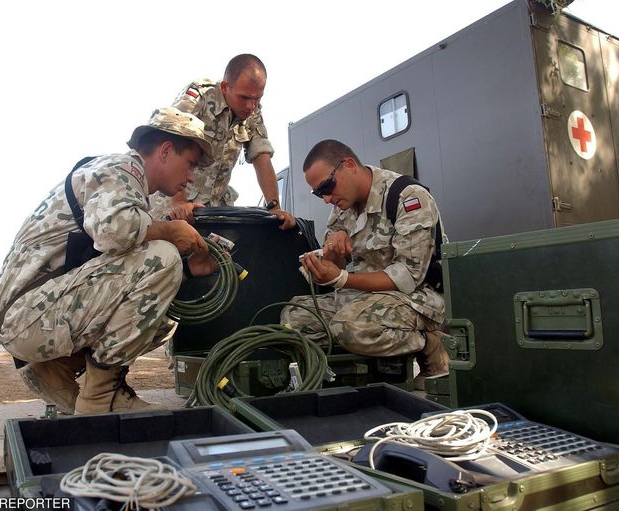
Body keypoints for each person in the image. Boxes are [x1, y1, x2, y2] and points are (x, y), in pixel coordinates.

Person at [0, 107, 217, 414]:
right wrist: (168, 231)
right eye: (189, 164)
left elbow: (117, 270)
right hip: (27, 317)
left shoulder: (126, 183)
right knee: (162, 259)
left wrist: (189, 270)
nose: (191, 177)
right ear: (165, 151)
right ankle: (101, 397)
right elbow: (112, 232)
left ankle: (55, 370)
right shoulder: (121, 168)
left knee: (163, 310)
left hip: (32, 314)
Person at [280, 139, 449, 386]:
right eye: (319, 193)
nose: (326, 198)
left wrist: (341, 279)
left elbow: (407, 276)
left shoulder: (408, 197)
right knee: (292, 319)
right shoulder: (341, 206)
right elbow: (337, 261)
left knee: (349, 326)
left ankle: (430, 342)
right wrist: (330, 255)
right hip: (363, 298)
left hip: (418, 299)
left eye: (327, 186)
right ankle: (368, 368)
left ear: (349, 165)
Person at [149, 53, 295, 230]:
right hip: (175, 208)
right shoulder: (201, 96)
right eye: (244, 98)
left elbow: (261, 156)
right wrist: (178, 201)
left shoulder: (253, 112)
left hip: (213, 212)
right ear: (225, 87)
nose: (251, 105)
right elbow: (171, 140)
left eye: (257, 98)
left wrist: (275, 208)